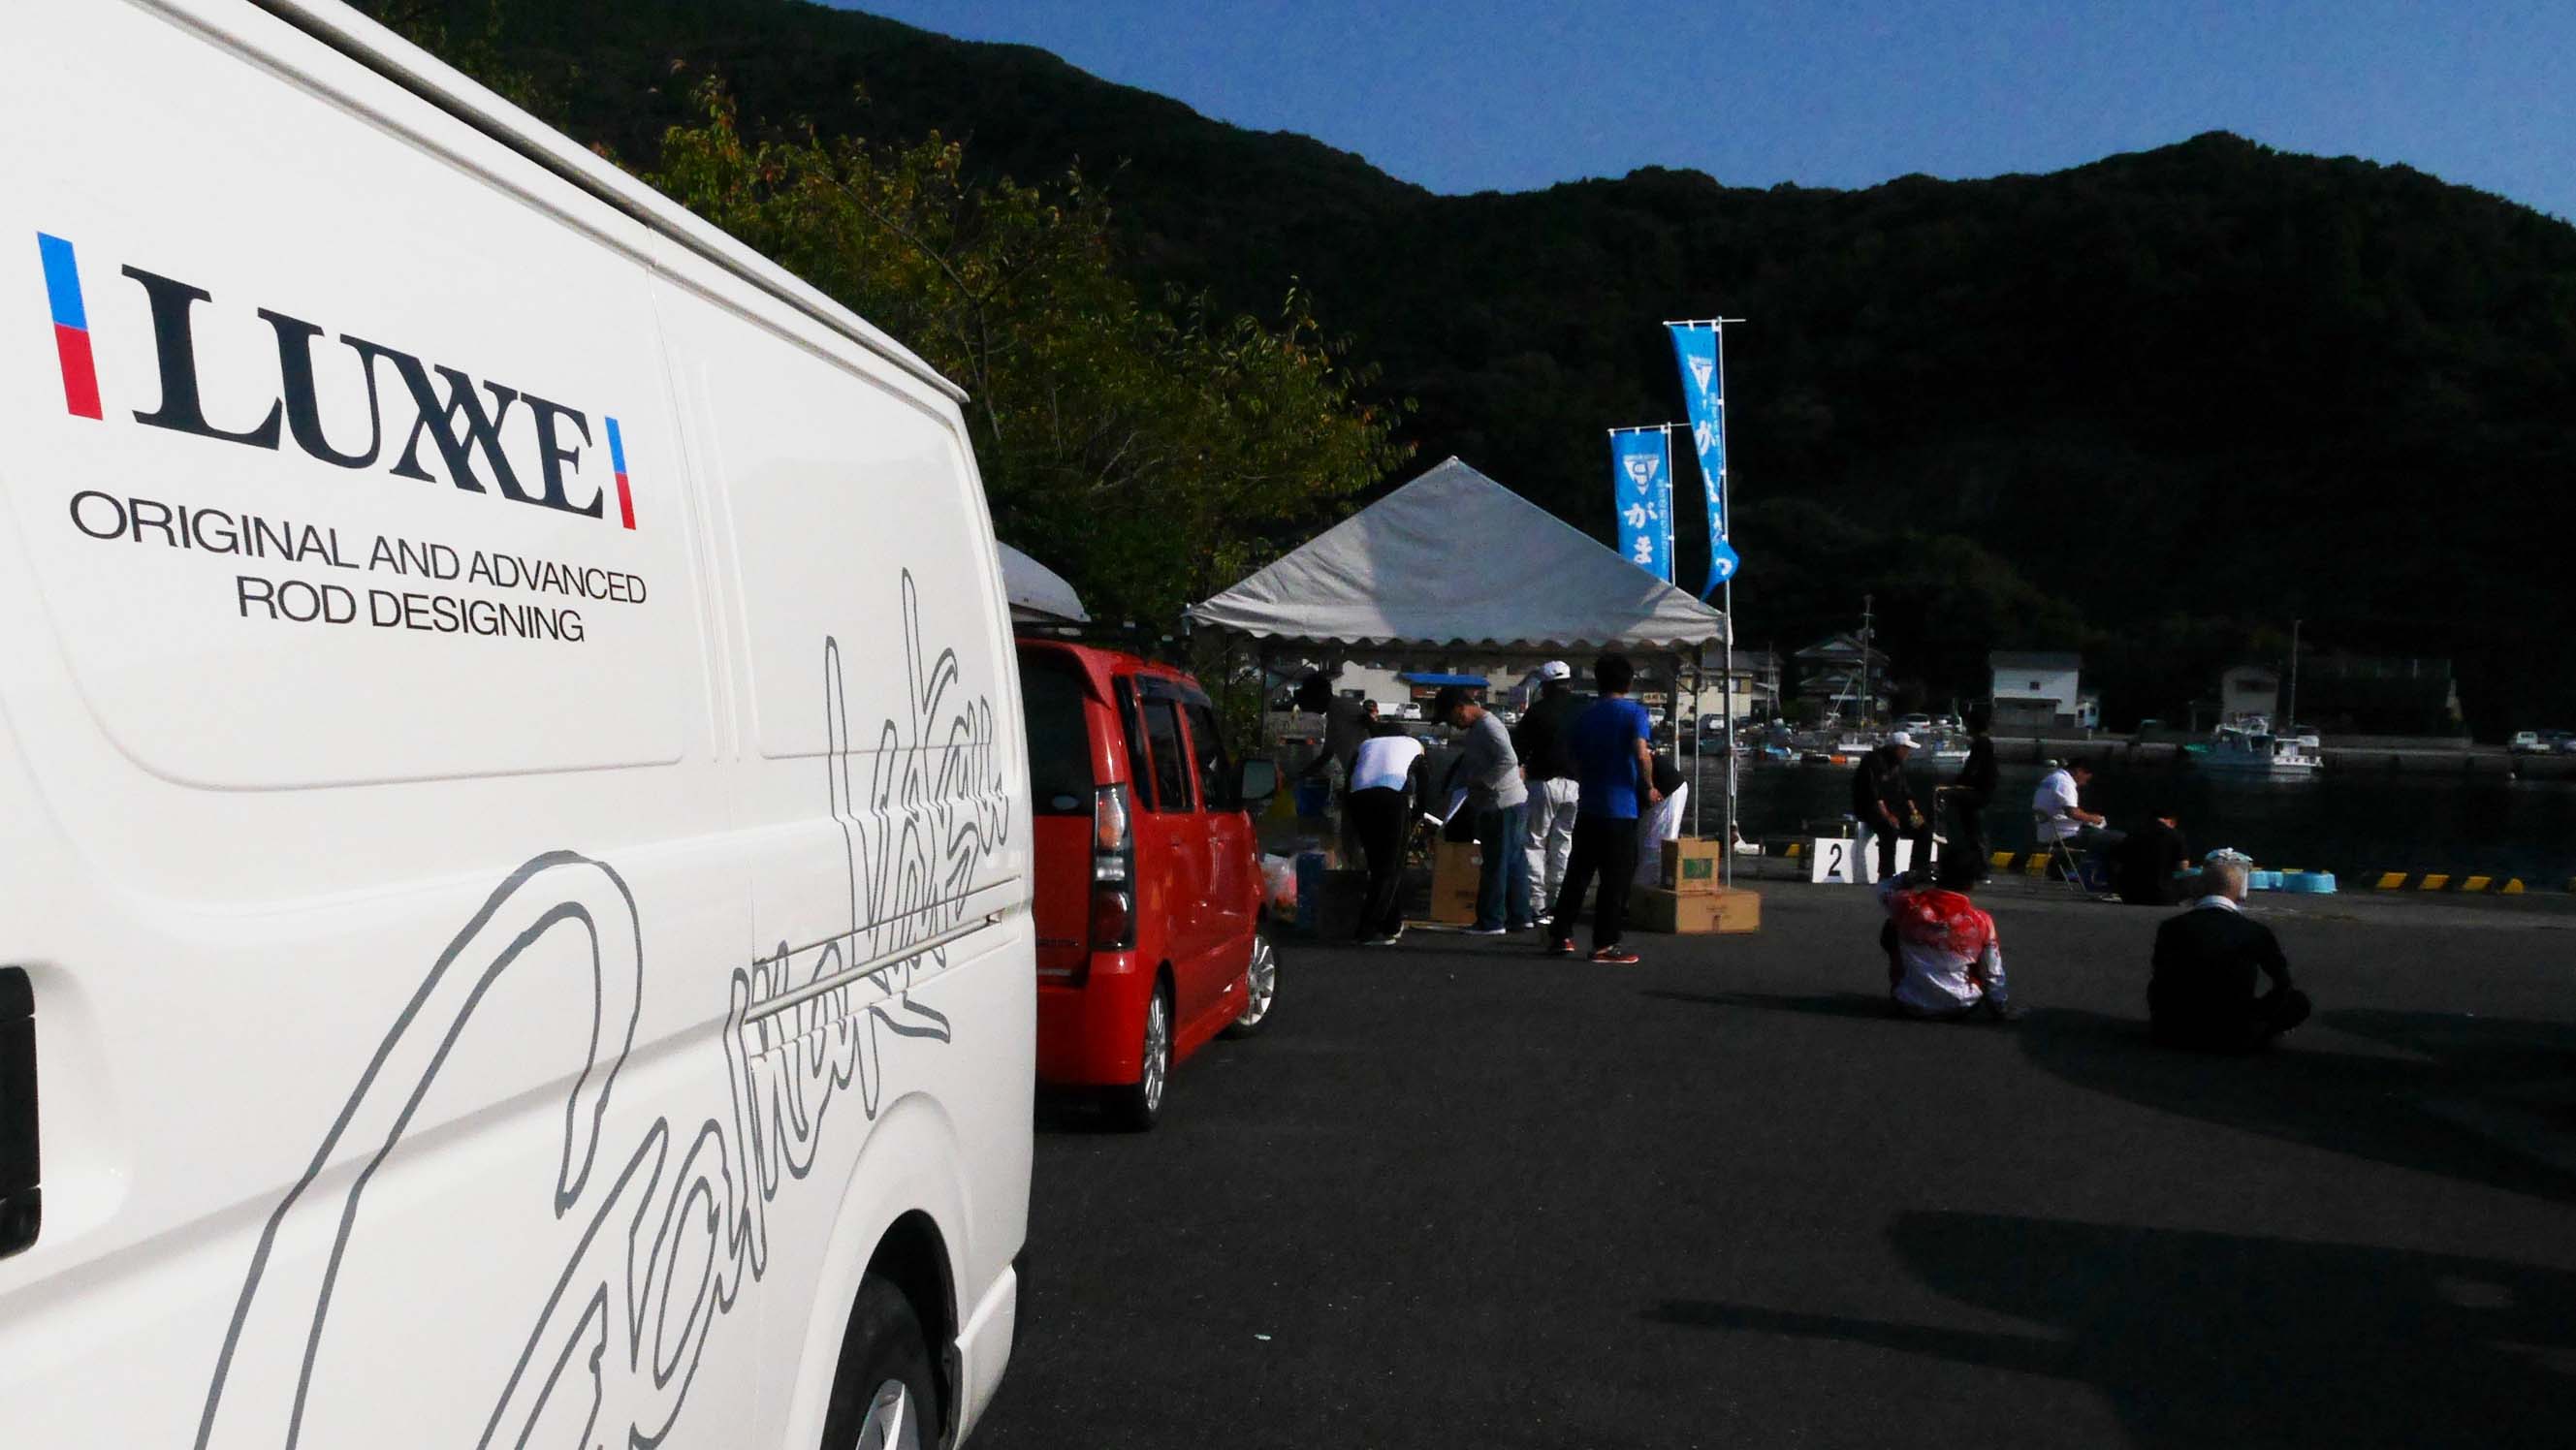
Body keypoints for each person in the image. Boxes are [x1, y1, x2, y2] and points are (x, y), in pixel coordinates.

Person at [1542, 652, 1661, 964]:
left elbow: (1570, 755)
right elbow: (1641, 753)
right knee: (1614, 879)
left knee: (1577, 874)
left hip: (1589, 805)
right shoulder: (1634, 712)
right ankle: (1604, 944)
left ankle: (1560, 935)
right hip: (1620, 808)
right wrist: (1649, 786)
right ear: (1629, 682)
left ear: (1597, 681)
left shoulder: (1584, 715)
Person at [2149, 851, 2311, 1050]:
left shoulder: (2171, 927)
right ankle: (2259, 1033)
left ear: (2199, 889)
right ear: (2239, 893)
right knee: (2298, 1000)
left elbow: (2159, 974)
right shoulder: (2256, 932)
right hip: (2234, 1032)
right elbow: (2283, 982)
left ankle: (2170, 1025)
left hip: (2177, 1029)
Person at [1434, 685, 1532, 934]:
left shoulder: (1488, 726)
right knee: (1514, 862)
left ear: (1460, 708)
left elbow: (1508, 759)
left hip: (1500, 802)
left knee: (1495, 864)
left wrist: (1483, 782)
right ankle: (1520, 915)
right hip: (1512, 801)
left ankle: (1491, 921)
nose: (1453, 725)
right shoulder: (1482, 727)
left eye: (1451, 718)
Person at [1878, 858, 2018, 1021]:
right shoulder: (1980, 920)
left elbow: (1882, 888)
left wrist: (1910, 877)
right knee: (1984, 953)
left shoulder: (1906, 904)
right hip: (1960, 1005)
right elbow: (1993, 972)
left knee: (1891, 926)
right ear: (1971, 884)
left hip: (1907, 1001)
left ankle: (1913, 986)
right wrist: (2001, 1008)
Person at [1512, 661, 1586, 927]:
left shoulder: (1537, 711)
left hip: (1543, 782)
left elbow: (1518, 750)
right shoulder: (1583, 709)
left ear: (1544, 685)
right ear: (1568, 682)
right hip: (1577, 785)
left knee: (1535, 842)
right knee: (1564, 842)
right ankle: (1559, 901)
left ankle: (1538, 905)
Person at [1344, 723, 1427, 946]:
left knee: (1377, 864)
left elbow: (1349, 778)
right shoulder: (1414, 745)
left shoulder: (1365, 745)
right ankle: (1367, 930)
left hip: (1358, 799)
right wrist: (1417, 815)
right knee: (1391, 867)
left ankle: (1391, 924)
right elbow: (1424, 782)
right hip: (1392, 797)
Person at [1850, 731, 1931, 881]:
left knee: (1924, 830)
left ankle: (1919, 871)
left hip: (1895, 809)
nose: (1908, 752)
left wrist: (1915, 813)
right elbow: (1874, 794)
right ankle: (1886, 875)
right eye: (1905, 748)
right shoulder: (1873, 761)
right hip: (1872, 808)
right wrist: (1887, 815)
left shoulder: (1897, 763)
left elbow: (1906, 792)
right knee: (1890, 829)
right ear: (1895, 748)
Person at [2033, 758, 2122, 877]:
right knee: (2119, 839)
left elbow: (2065, 810)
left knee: (2100, 835)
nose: (2084, 783)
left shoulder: (2049, 779)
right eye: (2086, 779)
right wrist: (2095, 819)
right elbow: (2073, 813)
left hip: (2046, 833)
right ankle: (2104, 878)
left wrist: (2086, 818)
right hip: (2064, 837)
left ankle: (2064, 870)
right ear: (2079, 771)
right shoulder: (2064, 783)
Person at [1944, 704, 1999, 884]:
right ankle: (1977, 867)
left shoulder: (1981, 744)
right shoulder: (1986, 743)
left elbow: (1972, 768)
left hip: (1977, 793)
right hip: (1983, 792)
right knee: (1975, 831)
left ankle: (1980, 868)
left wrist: (1957, 784)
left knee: (1974, 832)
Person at [1633, 754, 1690, 888]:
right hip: (1652, 789)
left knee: (1657, 843)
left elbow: (1642, 757)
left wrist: (1649, 787)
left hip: (1667, 788)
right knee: (1646, 842)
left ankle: (1646, 887)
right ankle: (1643, 885)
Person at [2112, 808, 2190, 905]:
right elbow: (2183, 867)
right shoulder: (2175, 835)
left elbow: (2117, 864)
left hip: (2132, 895)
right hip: (2162, 896)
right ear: (2171, 821)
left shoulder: (2134, 833)